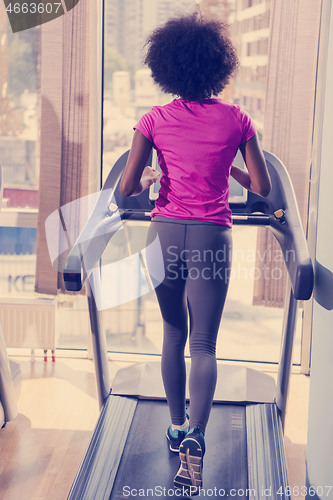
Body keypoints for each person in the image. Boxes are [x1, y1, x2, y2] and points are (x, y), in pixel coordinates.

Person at [120, 12, 271, 495]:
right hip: (211, 235)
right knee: (204, 343)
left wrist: (148, 179)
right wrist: (233, 172)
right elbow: (263, 189)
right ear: (219, 67)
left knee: (171, 332)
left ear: (167, 67)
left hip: (164, 233)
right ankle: (198, 437)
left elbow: (126, 191)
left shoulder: (153, 120)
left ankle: (174, 425)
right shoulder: (237, 119)